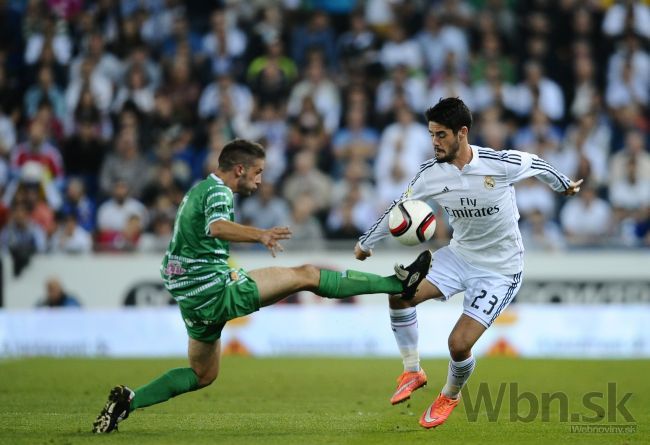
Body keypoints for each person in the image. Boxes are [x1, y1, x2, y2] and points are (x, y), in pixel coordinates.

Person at [92, 139, 431, 433]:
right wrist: (260, 235)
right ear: (239, 169)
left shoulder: (199, 189)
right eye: (258, 172)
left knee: (202, 374)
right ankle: (397, 283)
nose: (260, 179)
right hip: (216, 293)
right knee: (308, 275)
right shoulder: (219, 192)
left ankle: (130, 401)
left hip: (194, 298)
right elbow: (217, 227)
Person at [354, 98, 582, 429]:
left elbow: (538, 164)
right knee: (399, 292)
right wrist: (365, 244)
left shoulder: (499, 163)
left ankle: (450, 393)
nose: (434, 142)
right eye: (431, 134)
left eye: (441, 135)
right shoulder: (429, 174)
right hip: (459, 255)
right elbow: (398, 208)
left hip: (500, 269)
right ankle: (413, 370)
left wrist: (565, 186)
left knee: (458, 344)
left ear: (462, 133)